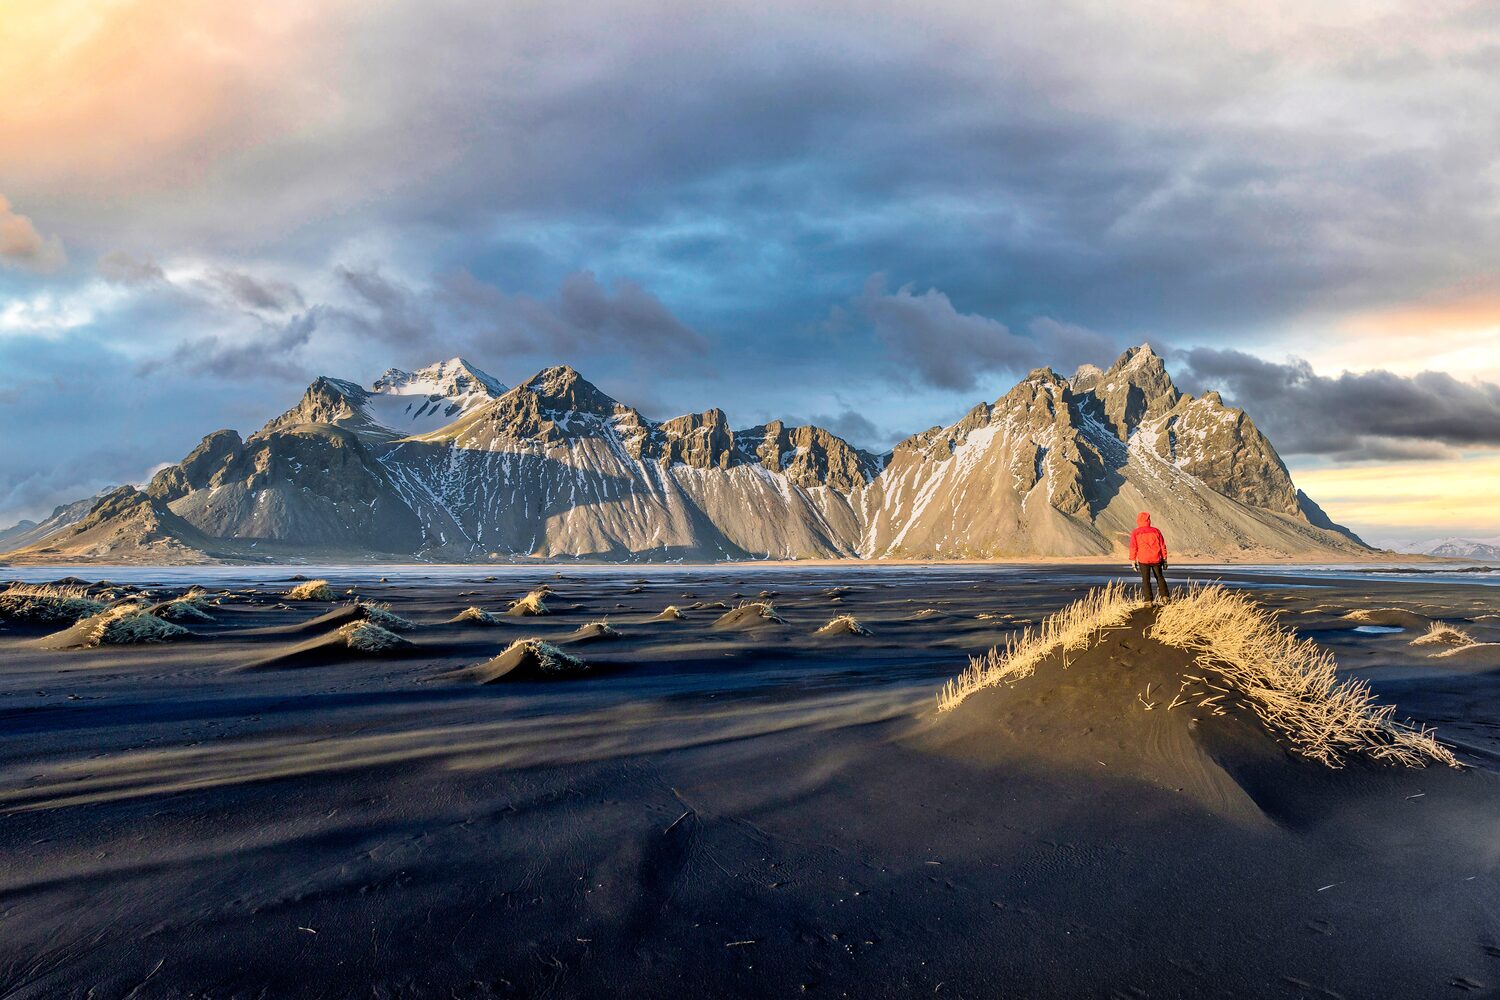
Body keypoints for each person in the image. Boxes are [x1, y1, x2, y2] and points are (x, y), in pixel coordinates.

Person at [1129, 511, 1170, 604]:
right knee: (1160, 577)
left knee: (1145, 579)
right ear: (1148, 520)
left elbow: (1133, 547)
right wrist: (1165, 560)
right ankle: (1165, 597)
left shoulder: (1135, 532)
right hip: (1156, 558)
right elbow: (1162, 546)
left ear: (1138, 521)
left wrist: (1133, 561)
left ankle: (1148, 600)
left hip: (1143, 559)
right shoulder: (1156, 531)